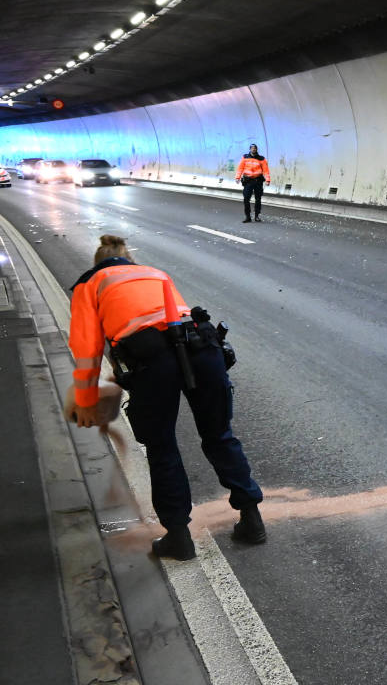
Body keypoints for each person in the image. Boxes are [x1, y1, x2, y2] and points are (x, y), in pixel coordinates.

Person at [69, 234, 266, 560]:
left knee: (162, 447)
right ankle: (252, 519)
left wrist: (86, 398)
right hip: (202, 346)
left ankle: (178, 538)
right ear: (127, 258)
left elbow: (86, 352)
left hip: (151, 359)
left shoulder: (89, 285)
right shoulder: (152, 272)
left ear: (98, 262)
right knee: (219, 435)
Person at [235, 143, 271, 223]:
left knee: (258, 199)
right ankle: (248, 217)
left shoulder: (261, 159)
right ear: (250, 149)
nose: (253, 149)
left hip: (258, 181)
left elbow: (265, 170)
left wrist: (268, 180)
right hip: (248, 181)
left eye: (255, 148)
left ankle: (257, 216)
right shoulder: (245, 157)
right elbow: (240, 168)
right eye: (252, 148)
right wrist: (237, 177)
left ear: (256, 149)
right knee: (246, 199)